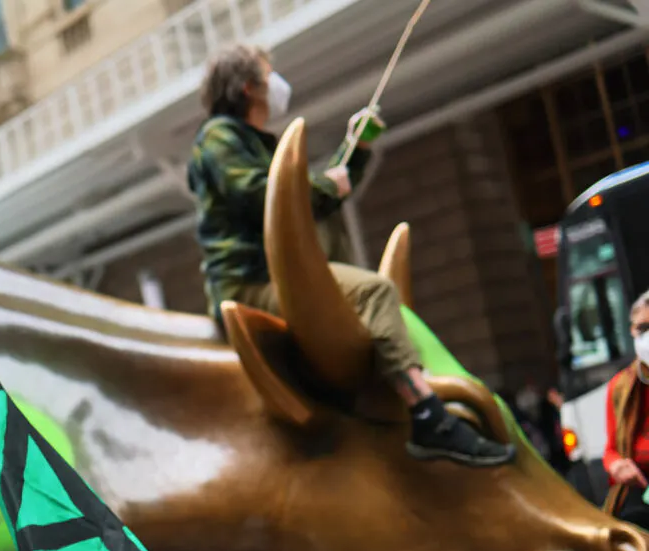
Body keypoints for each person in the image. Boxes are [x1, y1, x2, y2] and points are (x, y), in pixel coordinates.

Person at [187, 43, 515, 468]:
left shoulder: (248, 143)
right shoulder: (219, 139)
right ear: (249, 87)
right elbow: (269, 198)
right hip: (252, 282)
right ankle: (427, 415)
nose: (277, 84)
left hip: (276, 276)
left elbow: (312, 199)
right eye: (268, 75)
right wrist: (327, 186)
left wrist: (355, 151)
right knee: (374, 292)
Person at [602, 289, 649, 529]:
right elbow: (610, 450)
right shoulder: (620, 387)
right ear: (632, 331)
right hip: (641, 488)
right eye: (643, 329)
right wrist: (617, 466)